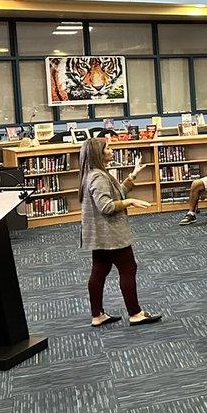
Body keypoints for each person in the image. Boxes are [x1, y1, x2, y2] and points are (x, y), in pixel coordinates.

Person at [77, 137, 160, 327]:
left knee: (100, 269)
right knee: (128, 268)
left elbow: (117, 193)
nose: (112, 150)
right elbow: (106, 206)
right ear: (99, 153)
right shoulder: (98, 176)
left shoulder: (94, 173)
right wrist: (130, 202)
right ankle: (135, 313)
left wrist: (133, 176)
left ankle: (97, 315)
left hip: (100, 233)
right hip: (110, 233)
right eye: (108, 148)